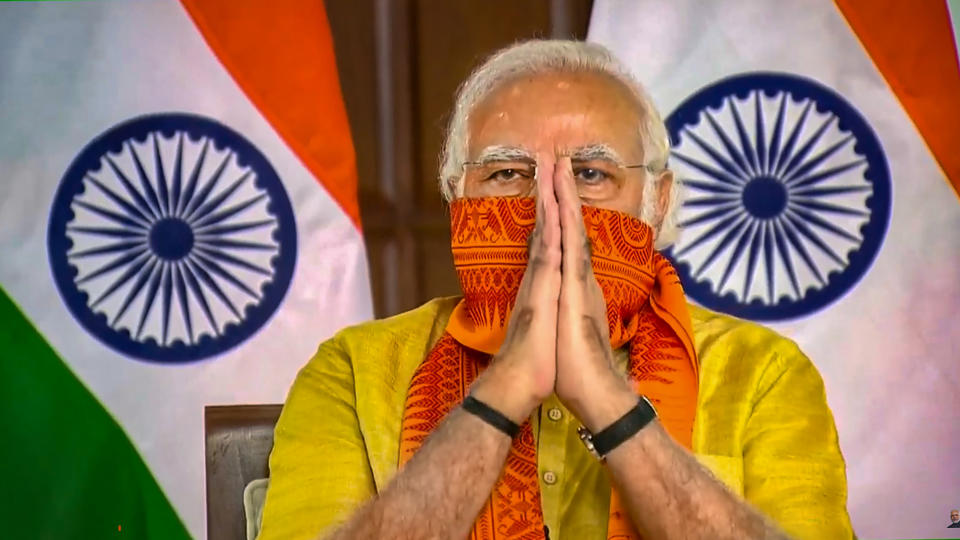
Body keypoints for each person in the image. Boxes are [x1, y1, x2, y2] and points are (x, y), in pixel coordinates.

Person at [256, 40, 853, 540]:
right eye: (507, 173)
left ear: (658, 202)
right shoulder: (352, 371)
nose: (548, 212)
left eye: (590, 176)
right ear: (455, 197)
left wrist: (605, 399)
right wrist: (506, 387)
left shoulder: (763, 374)